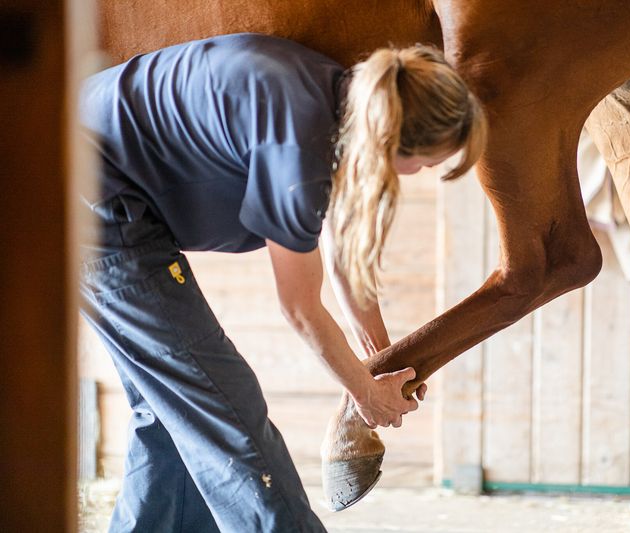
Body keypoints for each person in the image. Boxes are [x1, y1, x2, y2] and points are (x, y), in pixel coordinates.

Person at [78, 33, 486, 532]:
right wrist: (366, 394)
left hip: (93, 180)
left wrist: (379, 358)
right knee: (227, 408)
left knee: (174, 411)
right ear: (391, 137)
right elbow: (299, 307)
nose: (419, 173)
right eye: (422, 161)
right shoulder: (299, 141)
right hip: (90, 196)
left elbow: (339, 252)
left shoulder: (334, 94)